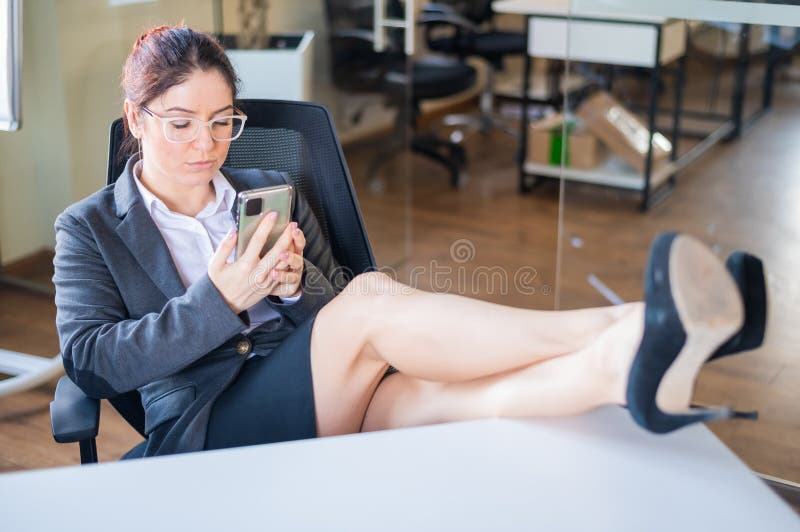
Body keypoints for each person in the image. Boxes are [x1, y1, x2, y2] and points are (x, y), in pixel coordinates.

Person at [52, 25, 766, 458]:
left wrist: (298, 286)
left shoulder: (265, 186)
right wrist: (219, 298)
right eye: (180, 123)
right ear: (134, 118)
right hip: (210, 425)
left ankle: (626, 372)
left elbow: (324, 308)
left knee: (443, 395)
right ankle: (636, 324)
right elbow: (90, 363)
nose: (205, 144)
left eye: (221, 121)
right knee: (369, 303)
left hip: (317, 387)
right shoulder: (88, 228)